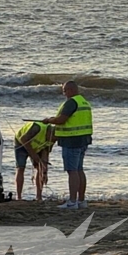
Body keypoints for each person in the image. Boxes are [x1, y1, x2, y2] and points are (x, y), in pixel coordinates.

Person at [43, 81, 93, 210]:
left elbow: (61, 120)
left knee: (72, 171)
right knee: (79, 170)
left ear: (70, 90)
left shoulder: (71, 102)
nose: (64, 93)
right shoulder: (84, 102)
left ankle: (72, 201)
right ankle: (81, 200)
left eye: (64, 91)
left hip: (71, 141)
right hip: (83, 140)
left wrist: (49, 120)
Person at [14, 121, 55, 201]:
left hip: (37, 146)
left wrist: (44, 170)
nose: (53, 141)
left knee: (40, 168)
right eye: (53, 139)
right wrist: (34, 156)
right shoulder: (37, 128)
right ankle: (18, 197)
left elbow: (45, 153)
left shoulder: (53, 138)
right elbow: (23, 139)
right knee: (20, 167)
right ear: (50, 132)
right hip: (21, 143)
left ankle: (38, 197)